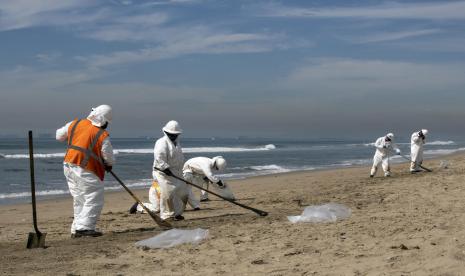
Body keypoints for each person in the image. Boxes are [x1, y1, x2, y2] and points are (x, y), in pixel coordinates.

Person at [56, 105, 114, 238]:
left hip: (69, 164)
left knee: (79, 198)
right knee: (93, 197)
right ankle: (84, 228)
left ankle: (77, 228)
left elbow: (59, 136)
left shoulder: (75, 124)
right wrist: (108, 165)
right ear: (104, 121)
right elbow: (109, 158)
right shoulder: (101, 134)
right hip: (86, 168)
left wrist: (74, 137)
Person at [153, 120, 187, 221]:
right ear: (166, 132)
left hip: (176, 173)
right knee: (168, 194)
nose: (173, 136)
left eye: (175, 134)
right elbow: (159, 158)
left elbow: (179, 157)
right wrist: (165, 168)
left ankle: (177, 213)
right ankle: (167, 215)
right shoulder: (161, 142)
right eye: (171, 134)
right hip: (163, 173)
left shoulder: (177, 143)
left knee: (181, 193)